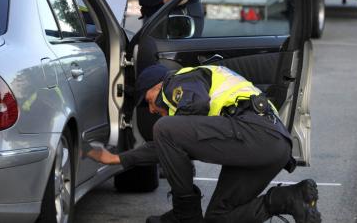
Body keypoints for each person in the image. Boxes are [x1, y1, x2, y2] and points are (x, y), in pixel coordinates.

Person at [88, 64, 321, 223]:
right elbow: (171, 144)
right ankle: (290, 199)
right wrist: (120, 159)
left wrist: (175, 127)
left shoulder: (176, 82)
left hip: (255, 134)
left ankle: (184, 215)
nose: (151, 109)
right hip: (269, 145)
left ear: (158, 86)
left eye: (148, 101)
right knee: (219, 217)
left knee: (165, 129)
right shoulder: (195, 82)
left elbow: (195, 106)